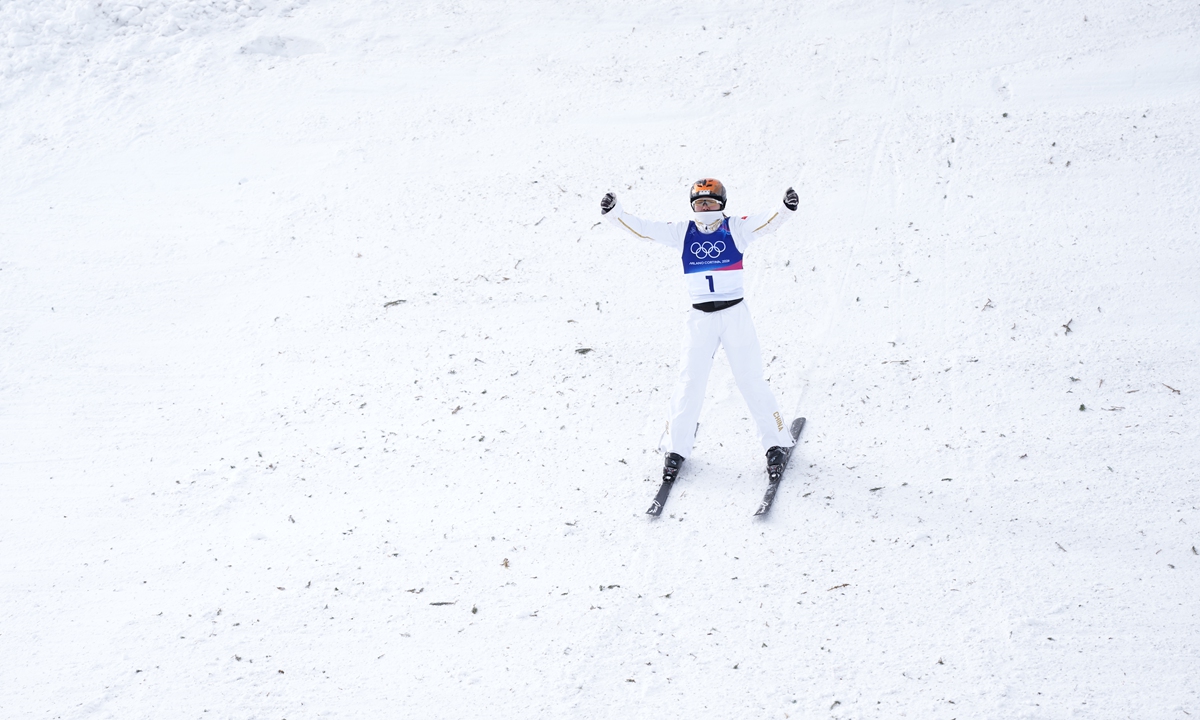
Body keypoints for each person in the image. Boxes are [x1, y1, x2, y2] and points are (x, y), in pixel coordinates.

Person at [600, 178, 801, 483]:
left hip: (735, 315)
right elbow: (644, 229)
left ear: (721, 204)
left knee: (750, 380)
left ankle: (776, 443)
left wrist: (785, 208)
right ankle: (675, 449)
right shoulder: (683, 232)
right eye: (699, 203)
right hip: (700, 320)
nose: (705, 208)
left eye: (710, 203)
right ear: (693, 207)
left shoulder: (735, 227)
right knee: (689, 383)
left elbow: (768, 222)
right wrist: (616, 213)